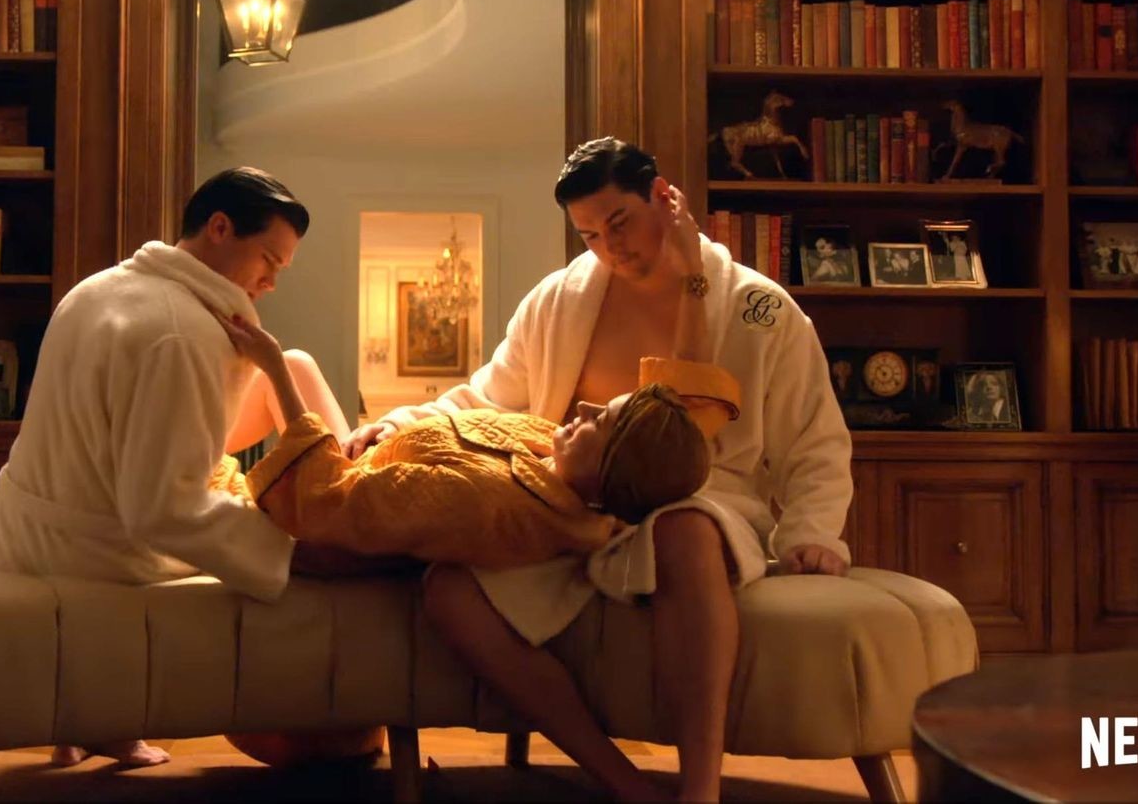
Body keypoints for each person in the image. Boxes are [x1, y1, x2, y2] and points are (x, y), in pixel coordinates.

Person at [348, 138, 854, 803]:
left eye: (619, 222)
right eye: (589, 234)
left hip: (708, 501)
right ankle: (623, 782)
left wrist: (811, 531)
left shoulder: (758, 308)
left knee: (681, 527)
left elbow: (813, 437)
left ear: (663, 197)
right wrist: (402, 424)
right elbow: (489, 397)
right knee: (450, 589)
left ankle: (699, 791)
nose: (610, 247)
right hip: (582, 506)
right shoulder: (558, 301)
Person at [0, 167, 367, 769]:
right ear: (219, 227)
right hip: (92, 550)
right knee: (296, 547)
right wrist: (286, 555)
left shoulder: (96, 289)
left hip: (25, 522)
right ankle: (106, 719)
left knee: (286, 375)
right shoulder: (182, 334)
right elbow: (162, 510)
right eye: (268, 260)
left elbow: (87, 446)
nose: (271, 282)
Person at [200, 180, 736, 573]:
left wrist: (271, 366)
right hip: (365, 461)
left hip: (321, 499)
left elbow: (325, 504)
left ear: (612, 470)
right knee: (298, 363)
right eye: (590, 234)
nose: (585, 408)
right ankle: (199, 449)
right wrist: (395, 424)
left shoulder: (491, 496)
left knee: (285, 367)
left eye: (602, 422)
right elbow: (674, 408)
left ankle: (194, 461)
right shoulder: (543, 445)